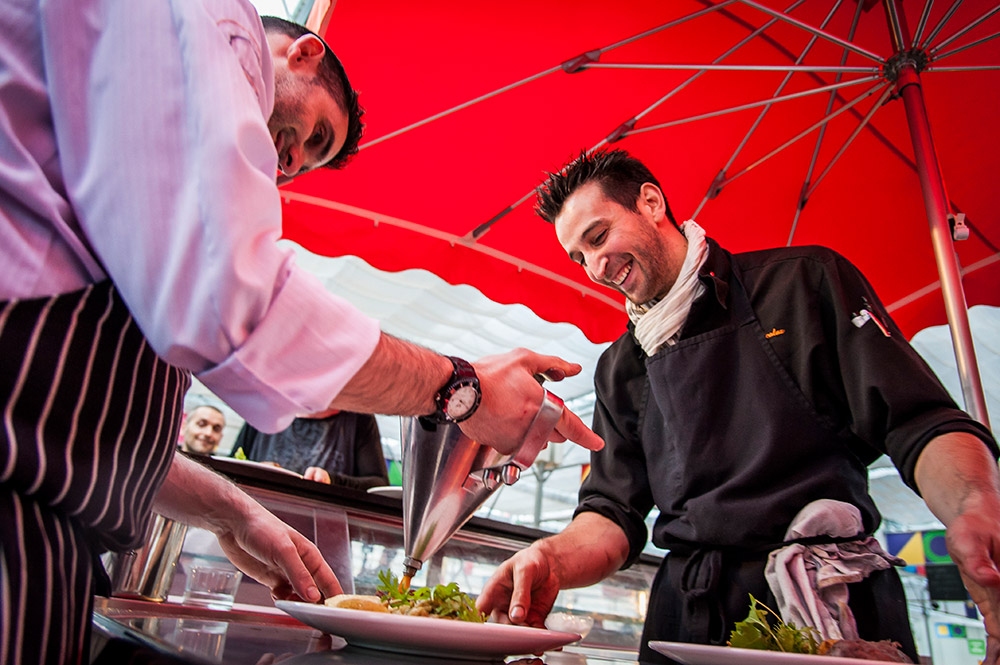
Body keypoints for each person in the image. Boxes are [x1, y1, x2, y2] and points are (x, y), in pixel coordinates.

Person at [0, 4, 602, 664]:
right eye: (318, 137)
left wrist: (233, 511)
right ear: (305, 54)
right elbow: (225, 297)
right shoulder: (197, 19)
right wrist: (460, 387)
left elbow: (85, 418)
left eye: (310, 161)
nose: (291, 164)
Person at [476, 148, 1000, 664]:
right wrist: (553, 557)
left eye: (598, 237)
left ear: (652, 204)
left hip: (833, 600)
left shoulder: (802, 283)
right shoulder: (622, 367)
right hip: (689, 618)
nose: (594, 266)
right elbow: (613, 514)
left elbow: (920, 422)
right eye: (579, 257)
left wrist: (975, 505)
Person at [233, 408, 390, 489]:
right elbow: (229, 468)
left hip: (326, 534)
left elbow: (378, 484)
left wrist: (332, 480)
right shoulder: (264, 410)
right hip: (257, 528)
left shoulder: (359, 419)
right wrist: (253, 471)